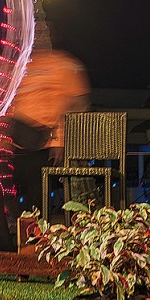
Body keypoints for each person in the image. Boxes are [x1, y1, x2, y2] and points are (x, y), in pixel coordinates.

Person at [9, 48, 90, 216]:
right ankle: (22, 225)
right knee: (17, 184)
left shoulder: (61, 64)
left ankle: (37, 227)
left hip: (44, 140)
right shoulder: (23, 64)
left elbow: (76, 104)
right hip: (20, 139)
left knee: (37, 186)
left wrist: (59, 141)